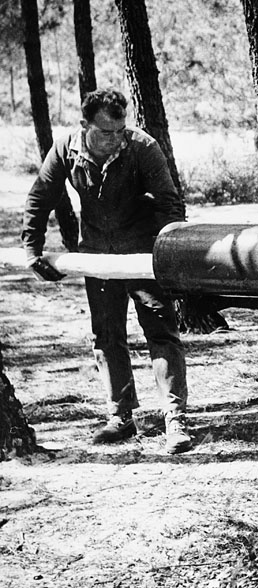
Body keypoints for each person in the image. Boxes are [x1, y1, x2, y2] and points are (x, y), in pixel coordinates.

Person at [22, 88, 192, 454]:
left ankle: (174, 417)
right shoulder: (66, 147)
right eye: (105, 132)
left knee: (161, 332)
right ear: (85, 125)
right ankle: (121, 416)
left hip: (144, 254)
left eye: (119, 131)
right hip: (97, 254)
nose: (114, 139)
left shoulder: (142, 147)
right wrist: (32, 249)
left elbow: (169, 203)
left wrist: (171, 256)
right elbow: (40, 197)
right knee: (106, 335)